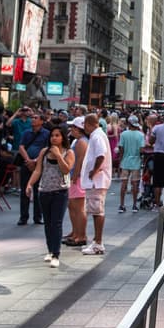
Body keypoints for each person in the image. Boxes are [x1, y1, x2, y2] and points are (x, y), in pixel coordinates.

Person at [26, 123, 73, 267]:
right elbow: (38, 170)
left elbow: (66, 170)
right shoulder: (44, 152)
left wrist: (59, 155)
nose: (54, 138)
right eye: (52, 135)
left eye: (57, 136)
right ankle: (50, 250)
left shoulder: (68, 153)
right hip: (44, 191)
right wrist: (29, 184)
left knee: (56, 223)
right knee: (47, 223)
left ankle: (56, 254)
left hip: (60, 191)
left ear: (63, 137)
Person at [80, 114, 112, 255]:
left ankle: (98, 242)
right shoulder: (97, 135)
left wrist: (94, 171)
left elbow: (101, 155)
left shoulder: (97, 136)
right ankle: (96, 241)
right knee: (95, 211)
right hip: (96, 180)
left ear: (89, 123)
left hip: (97, 181)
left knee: (97, 211)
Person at [17, 112, 49, 226]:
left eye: (36, 118)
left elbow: (47, 149)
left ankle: (37, 216)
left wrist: (36, 160)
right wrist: (28, 160)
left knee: (38, 191)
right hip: (26, 164)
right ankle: (23, 216)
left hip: (39, 165)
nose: (33, 120)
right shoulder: (26, 133)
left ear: (42, 121)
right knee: (25, 190)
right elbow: (21, 147)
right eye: (32, 118)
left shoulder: (46, 134)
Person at [62, 118, 89, 248]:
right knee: (73, 206)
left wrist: (75, 176)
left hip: (77, 178)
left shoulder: (81, 143)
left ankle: (81, 235)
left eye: (73, 127)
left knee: (78, 208)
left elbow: (80, 161)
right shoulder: (78, 141)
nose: (71, 129)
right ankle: (75, 232)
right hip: (75, 177)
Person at [117, 116, 144, 213]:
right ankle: (134, 205)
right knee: (135, 183)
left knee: (124, 183)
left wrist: (120, 160)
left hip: (125, 160)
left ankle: (121, 204)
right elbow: (141, 149)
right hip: (136, 161)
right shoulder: (140, 135)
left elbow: (121, 148)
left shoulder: (123, 134)